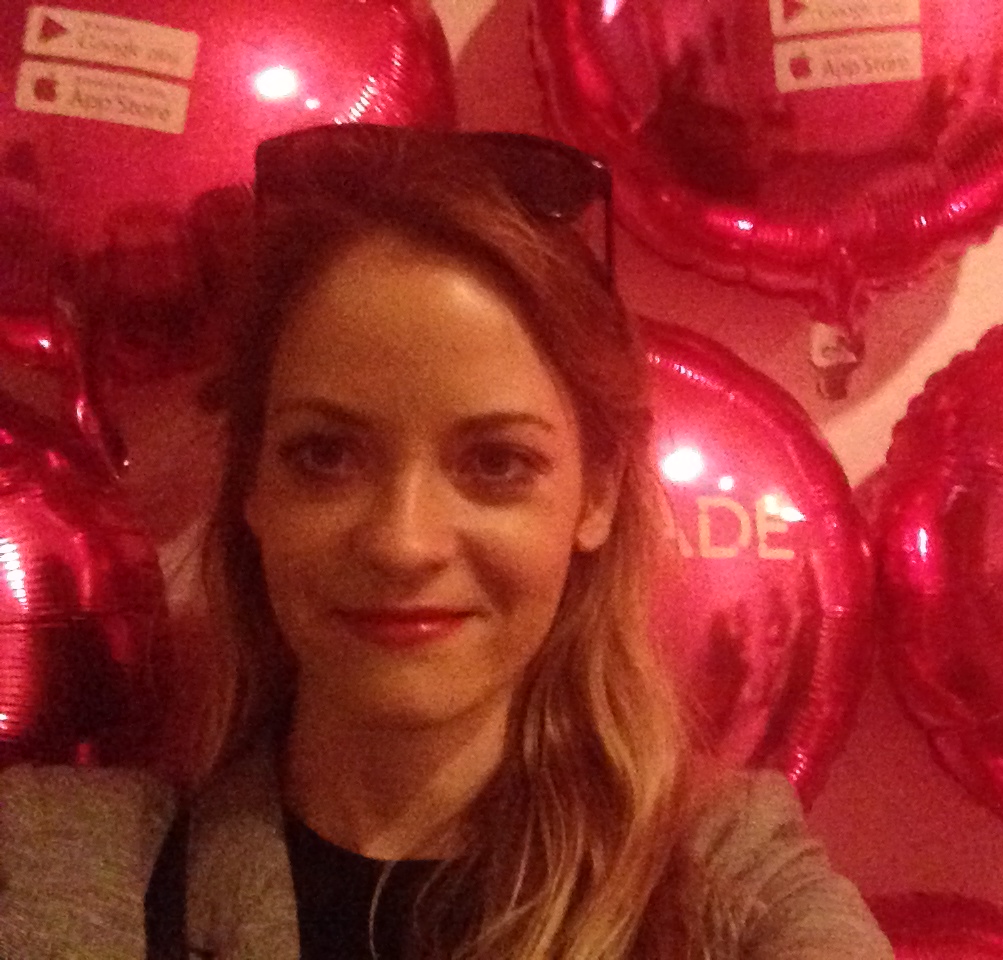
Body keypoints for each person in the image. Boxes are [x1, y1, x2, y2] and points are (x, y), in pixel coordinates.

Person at [0, 125, 892, 960]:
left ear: (596, 495)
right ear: (252, 488)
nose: (402, 543)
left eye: (497, 462)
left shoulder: (732, 881)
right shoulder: (56, 863)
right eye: (325, 454)